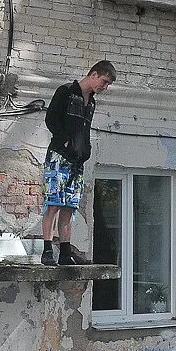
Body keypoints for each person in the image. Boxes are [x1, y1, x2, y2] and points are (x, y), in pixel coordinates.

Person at [41, 60, 116, 265]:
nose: (104, 87)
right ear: (94, 74)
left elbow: (85, 128)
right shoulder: (66, 92)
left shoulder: (91, 101)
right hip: (59, 156)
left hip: (77, 160)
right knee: (54, 203)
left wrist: (85, 149)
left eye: (108, 84)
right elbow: (51, 119)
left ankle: (65, 251)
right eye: (104, 81)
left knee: (69, 206)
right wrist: (65, 140)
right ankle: (47, 249)